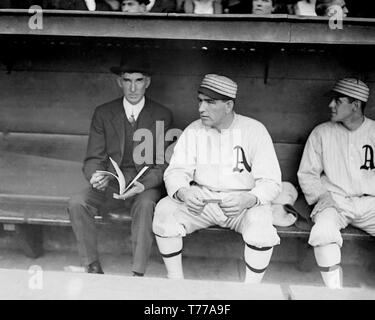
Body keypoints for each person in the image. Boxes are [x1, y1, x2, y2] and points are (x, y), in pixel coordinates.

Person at [152, 74, 282, 283]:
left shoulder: (254, 130)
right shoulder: (194, 130)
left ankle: (251, 292)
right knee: (165, 211)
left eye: (210, 102)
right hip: (202, 201)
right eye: (200, 101)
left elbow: (271, 182)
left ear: (228, 105)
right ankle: (175, 282)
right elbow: (175, 172)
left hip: (241, 203)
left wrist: (248, 199)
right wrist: (185, 192)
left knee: (261, 224)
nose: (201, 108)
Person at [68, 59, 173, 276]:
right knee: (77, 202)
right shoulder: (103, 113)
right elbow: (92, 158)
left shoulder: (161, 114)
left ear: (148, 82)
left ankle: (137, 272)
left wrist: (143, 186)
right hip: (111, 183)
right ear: (119, 82)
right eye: (127, 81)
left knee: (146, 206)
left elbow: (162, 164)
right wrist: (95, 176)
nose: (133, 88)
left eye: (138, 81)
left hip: (143, 186)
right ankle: (92, 265)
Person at [298, 78, 375, 289]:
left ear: (356, 105)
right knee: (323, 232)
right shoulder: (322, 132)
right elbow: (307, 173)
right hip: (334, 201)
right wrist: (323, 196)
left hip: (371, 204)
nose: (331, 105)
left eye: (338, 101)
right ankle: (335, 292)